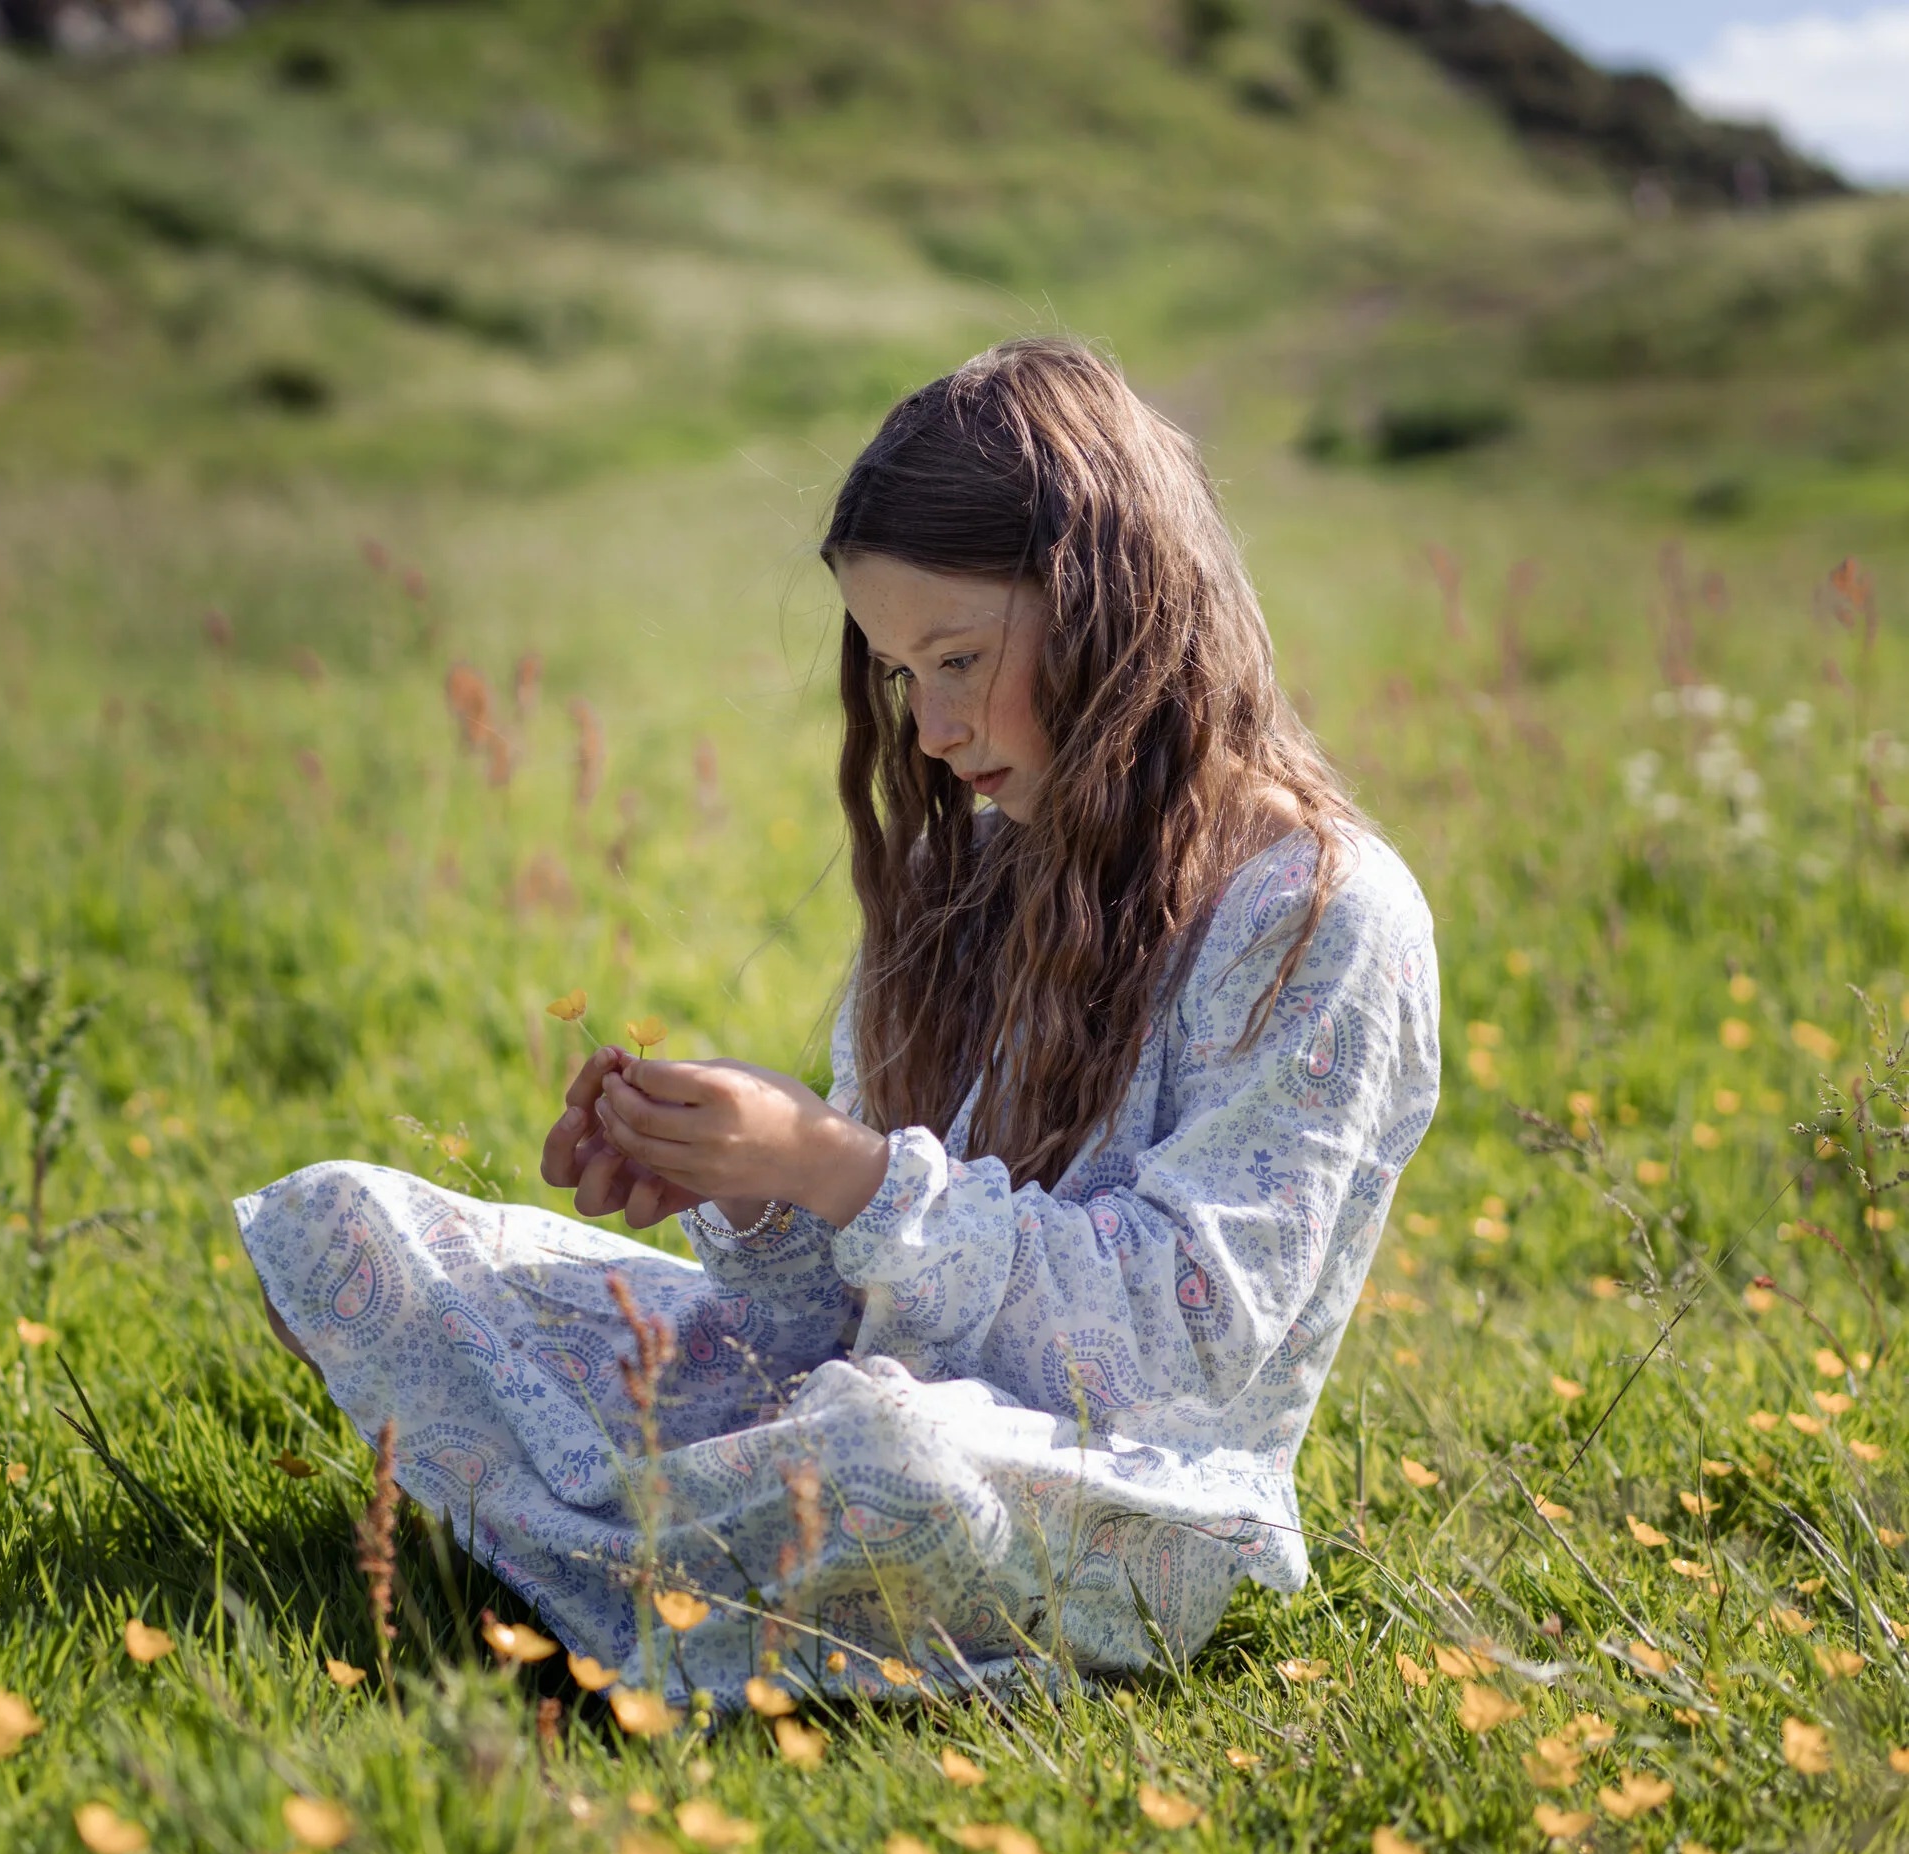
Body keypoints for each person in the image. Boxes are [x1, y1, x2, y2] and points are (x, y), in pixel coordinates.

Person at [235, 336, 1440, 1704]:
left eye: (959, 656)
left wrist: (839, 1168)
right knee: (350, 1228)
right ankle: (684, 1556)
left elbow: (1180, 1334)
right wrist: (752, 1186)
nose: (928, 727)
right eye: (895, 674)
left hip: (1112, 1506)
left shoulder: (1320, 916)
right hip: (852, 1403)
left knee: (883, 1457)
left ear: (1115, 606)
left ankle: (596, 1547)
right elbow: (823, 1317)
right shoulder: (965, 880)